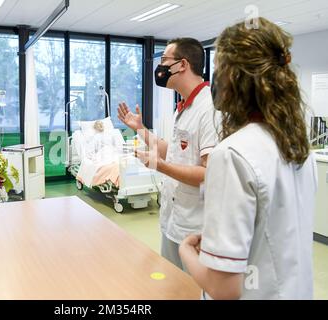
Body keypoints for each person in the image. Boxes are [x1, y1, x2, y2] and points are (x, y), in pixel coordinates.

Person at [179, 17, 317, 299]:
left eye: (218, 70)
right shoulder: (298, 148)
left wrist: (186, 252)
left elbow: (224, 289)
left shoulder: (232, 155)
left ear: (236, 78)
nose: (214, 82)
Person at [118, 38, 219, 270]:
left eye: (165, 60)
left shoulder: (209, 109)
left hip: (195, 227)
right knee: (172, 287)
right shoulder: (183, 107)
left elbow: (208, 173)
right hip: (173, 219)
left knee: (190, 292)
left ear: (182, 65)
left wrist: (158, 166)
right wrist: (140, 129)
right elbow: (172, 151)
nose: (160, 67)